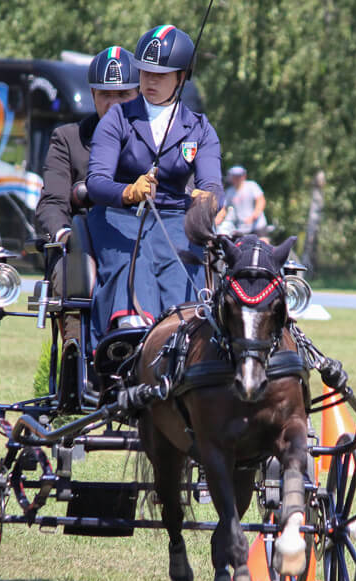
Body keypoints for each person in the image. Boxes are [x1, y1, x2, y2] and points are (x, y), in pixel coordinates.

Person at [86, 24, 222, 342]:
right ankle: (127, 334)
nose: (150, 81)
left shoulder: (200, 129)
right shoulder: (117, 118)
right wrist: (127, 191)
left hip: (175, 218)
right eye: (146, 72)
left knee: (181, 267)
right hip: (118, 216)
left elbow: (212, 184)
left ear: (181, 77)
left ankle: (185, 338)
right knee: (134, 260)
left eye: (160, 75)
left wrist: (209, 200)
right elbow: (96, 182)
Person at [35, 45, 140, 340]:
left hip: (141, 243)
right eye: (105, 94)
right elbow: (51, 204)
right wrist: (67, 236)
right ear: (93, 94)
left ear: (139, 95)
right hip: (84, 247)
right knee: (76, 273)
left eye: (123, 94)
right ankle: (81, 356)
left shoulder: (155, 140)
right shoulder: (68, 140)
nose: (113, 103)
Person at [223, 165, 269, 240]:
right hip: (241, 228)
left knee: (264, 243)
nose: (237, 178)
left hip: (257, 225)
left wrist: (253, 216)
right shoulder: (229, 192)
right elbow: (223, 209)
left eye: (239, 176)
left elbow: (261, 201)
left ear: (244, 176)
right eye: (234, 176)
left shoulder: (252, 186)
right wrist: (216, 221)